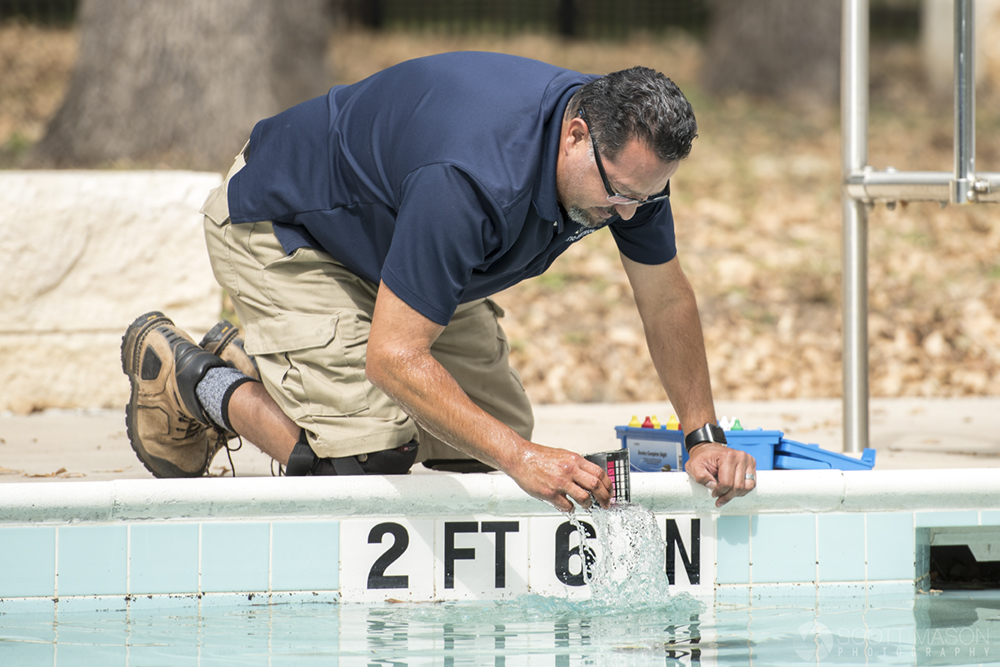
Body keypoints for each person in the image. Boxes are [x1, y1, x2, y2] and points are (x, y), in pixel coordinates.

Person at [121, 52, 756, 511]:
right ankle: (196, 382)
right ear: (576, 133)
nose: (627, 215)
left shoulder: (632, 172)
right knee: (364, 468)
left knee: (468, 458)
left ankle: (279, 357)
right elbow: (393, 357)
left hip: (395, 244)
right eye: (618, 196)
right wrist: (520, 457)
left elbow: (665, 296)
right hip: (286, 225)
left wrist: (701, 435)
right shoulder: (472, 176)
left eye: (646, 200)